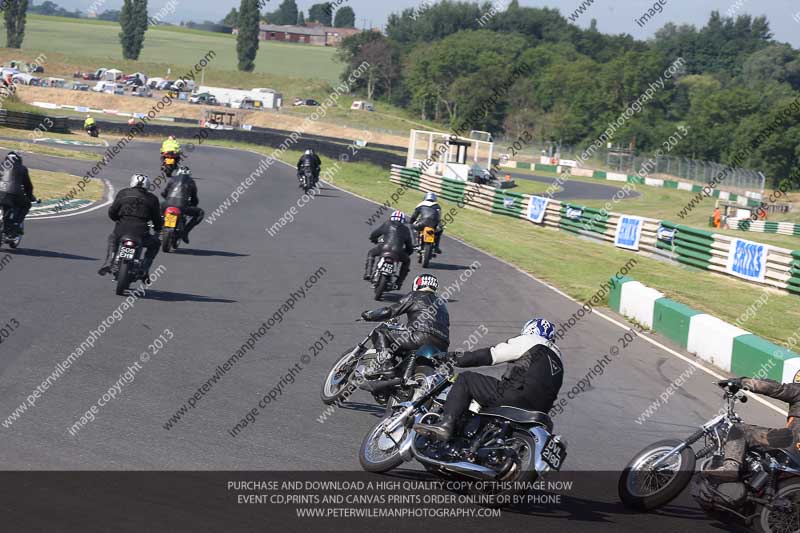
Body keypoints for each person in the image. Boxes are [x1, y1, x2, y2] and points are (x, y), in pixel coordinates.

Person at [414, 318, 563, 442]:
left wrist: (451, 358)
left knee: (466, 379)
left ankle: (445, 425)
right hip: (540, 411)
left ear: (530, 330)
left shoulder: (530, 340)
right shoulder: (559, 359)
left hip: (515, 396)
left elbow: (491, 355)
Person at [705, 377, 800, 481]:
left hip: (792, 442)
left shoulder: (797, 390)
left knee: (740, 430)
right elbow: (775, 384)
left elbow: (776, 388)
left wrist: (741, 382)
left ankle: (731, 467)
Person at [361, 273, 450, 380]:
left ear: (417, 284)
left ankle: (385, 365)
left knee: (381, 331)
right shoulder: (442, 305)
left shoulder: (415, 295)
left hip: (421, 337)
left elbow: (388, 311)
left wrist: (370, 315)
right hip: (442, 345)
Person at [98, 174, 162, 279]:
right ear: (147, 185)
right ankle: (144, 268)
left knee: (112, 238)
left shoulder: (123, 193)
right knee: (156, 243)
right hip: (141, 233)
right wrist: (157, 229)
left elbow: (112, 212)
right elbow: (157, 218)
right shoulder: (152, 198)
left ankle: (109, 262)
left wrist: (118, 219)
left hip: (121, 229)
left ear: (132, 182)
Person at [364, 210, 414, 290]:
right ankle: (399, 283)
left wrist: (373, 239)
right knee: (407, 261)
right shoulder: (406, 229)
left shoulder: (387, 223)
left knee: (371, 253)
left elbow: (375, 234)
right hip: (398, 251)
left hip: (384, 248)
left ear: (391, 218)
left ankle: (368, 273)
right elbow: (409, 245)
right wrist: (408, 252)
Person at [161, 166, 204, 244]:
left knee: (158, 207)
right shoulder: (191, 182)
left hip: (167, 205)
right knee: (200, 213)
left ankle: (158, 227)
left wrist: (167, 199)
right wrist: (193, 205)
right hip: (182, 207)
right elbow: (194, 198)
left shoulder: (172, 179)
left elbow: (164, 193)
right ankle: (185, 232)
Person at [0, 152, 34, 234]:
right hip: (14, 195)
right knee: (27, 205)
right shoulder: (22, 169)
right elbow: (28, 186)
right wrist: (31, 197)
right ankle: (16, 223)